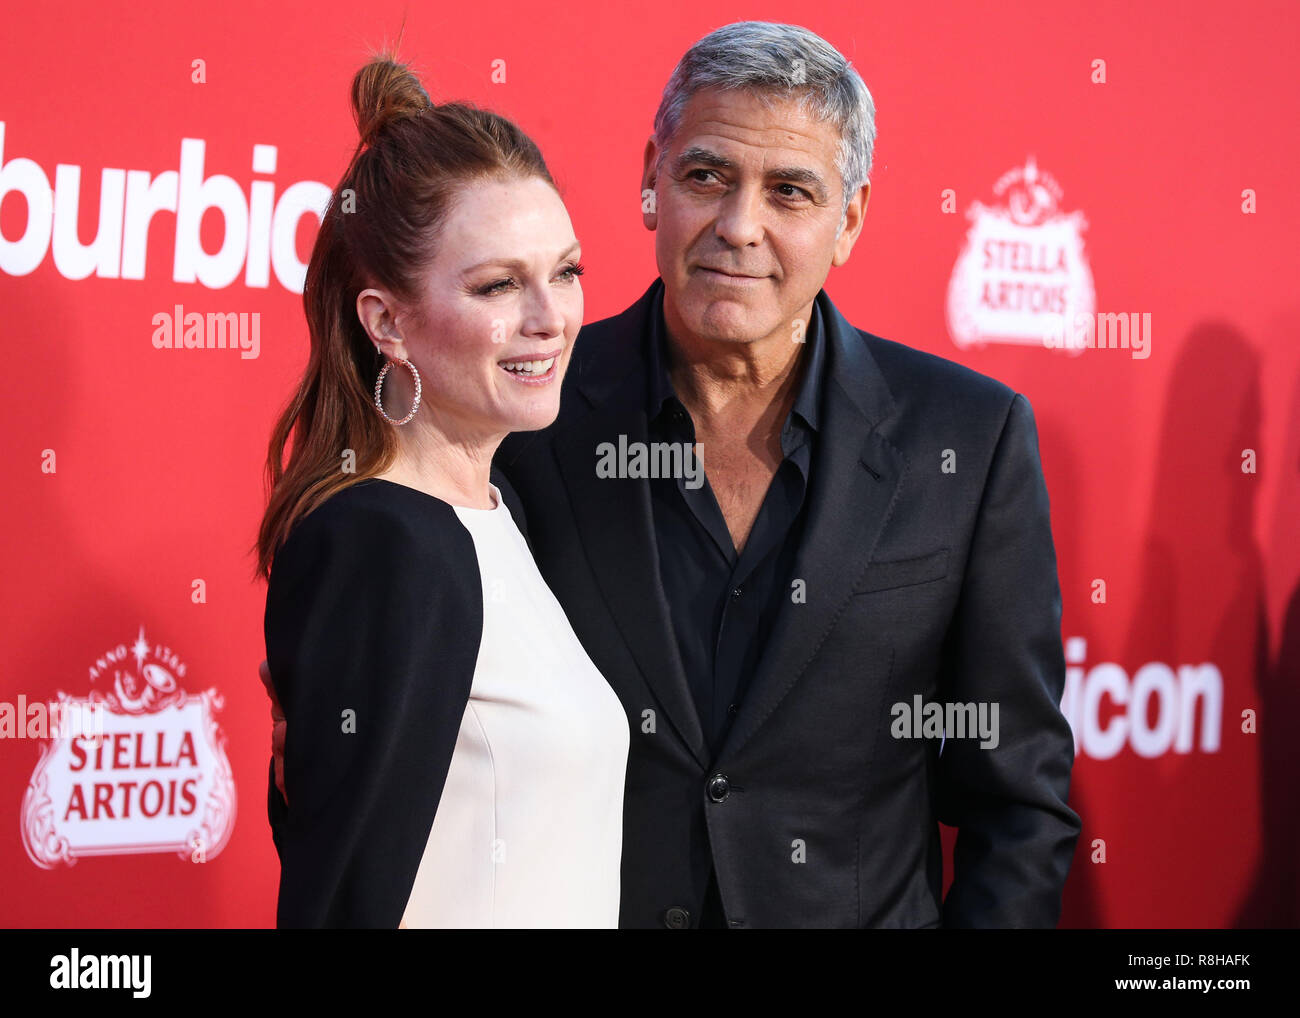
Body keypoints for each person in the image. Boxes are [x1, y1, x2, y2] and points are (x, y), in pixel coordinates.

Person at [263, 21, 1082, 928]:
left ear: (848, 220)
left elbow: (1019, 800)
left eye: (790, 191)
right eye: (705, 176)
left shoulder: (966, 439)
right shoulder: (528, 420)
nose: (739, 226)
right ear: (650, 177)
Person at [255, 53, 628, 928]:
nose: (552, 317)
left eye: (566, 271)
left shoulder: (501, 517)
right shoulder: (385, 544)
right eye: (499, 284)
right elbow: (342, 898)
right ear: (386, 321)